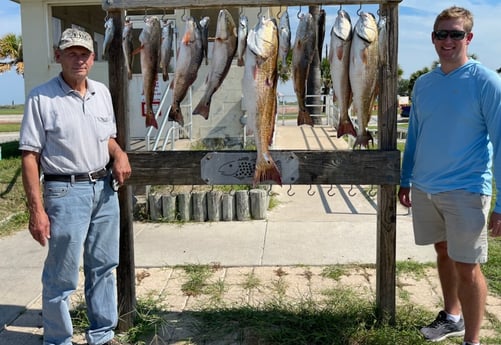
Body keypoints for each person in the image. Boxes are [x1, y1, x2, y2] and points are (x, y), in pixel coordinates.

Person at [19, 28, 131, 345]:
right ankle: (57, 339)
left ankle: (101, 334)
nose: (78, 59)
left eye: (84, 53)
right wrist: (36, 210)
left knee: (103, 266)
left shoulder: (101, 93)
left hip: (104, 189)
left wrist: (119, 153)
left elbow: (106, 138)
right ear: (59, 56)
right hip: (64, 192)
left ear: (93, 58)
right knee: (62, 274)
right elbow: (30, 156)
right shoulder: (41, 97)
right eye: (71, 53)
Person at [398, 6, 501, 345]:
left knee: (467, 266)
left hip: (466, 190)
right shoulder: (424, 84)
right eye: (441, 34)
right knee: (443, 251)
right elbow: (415, 134)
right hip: (426, 188)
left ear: (468, 37)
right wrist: (406, 177)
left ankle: (472, 340)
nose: (448, 40)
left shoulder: (486, 81)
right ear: (432, 38)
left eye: (456, 34)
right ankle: (452, 317)